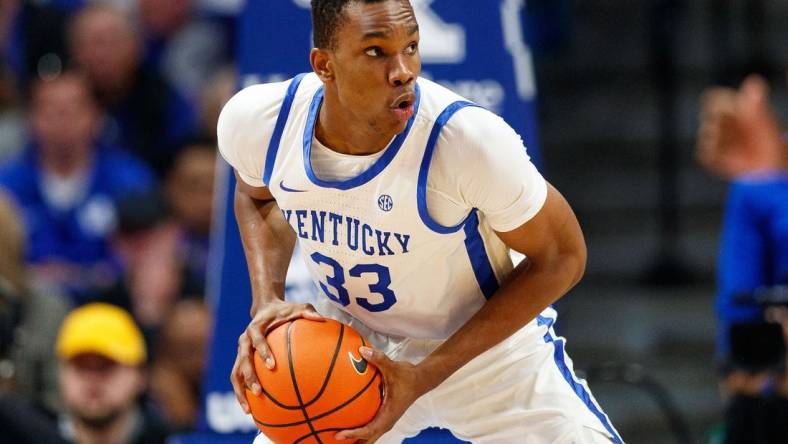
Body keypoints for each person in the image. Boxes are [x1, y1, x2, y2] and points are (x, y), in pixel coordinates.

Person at [218, 1, 621, 443]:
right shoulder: (263, 122)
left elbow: (563, 256)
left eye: (411, 47)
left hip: (486, 355)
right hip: (352, 348)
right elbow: (255, 194)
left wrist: (425, 374)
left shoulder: (466, 143)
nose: (403, 70)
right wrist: (267, 300)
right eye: (376, 52)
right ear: (324, 65)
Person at [0, 71, 155, 303]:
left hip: (111, 309)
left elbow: (150, 261)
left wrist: (84, 277)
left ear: (97, 116)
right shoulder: (6, 185)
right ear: (31, 118)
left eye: (73, 109)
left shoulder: (130, 180)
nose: (62, 120)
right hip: (25, 312)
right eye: (50, 110)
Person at [55, 302, 171, 444]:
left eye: (106, 366)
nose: (93, 378)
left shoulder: (170, 440)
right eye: (81, 366)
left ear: (141, 375)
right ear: (60, 374)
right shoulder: (33, 436)